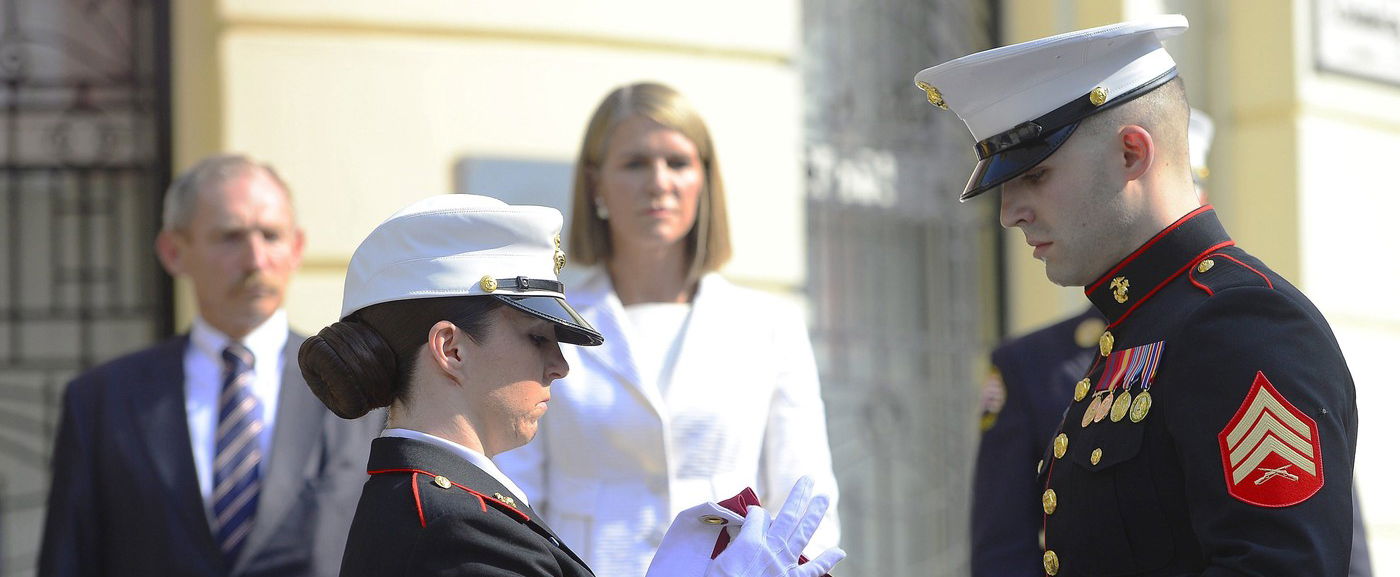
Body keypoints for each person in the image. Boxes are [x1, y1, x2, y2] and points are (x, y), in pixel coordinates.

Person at [915, 14, 1357, 576]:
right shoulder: (1143, 326)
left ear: (1131, 153)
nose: (1010, 214)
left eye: (1036, 176)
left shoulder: (1242, 325)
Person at [296, 193, 845, 577]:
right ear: (451, 349)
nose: (559, 366)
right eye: (537, 337)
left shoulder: (454, 507)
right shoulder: (459, 531)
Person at [494, 82, 841, 577]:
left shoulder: (769, 326)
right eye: (635, 163)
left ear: (704, 178)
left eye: (678, 162)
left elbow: (804, 498)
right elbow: (514, 494)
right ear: (595, 183)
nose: (659, 183)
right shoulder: (545, 320)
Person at [38, 154, 382, 577]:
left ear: (296, 248)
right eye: (230, 237)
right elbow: (68, 557)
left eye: (271, 235)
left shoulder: (364, 391)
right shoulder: (101, 401)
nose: (255, 259)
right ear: (173, 252)